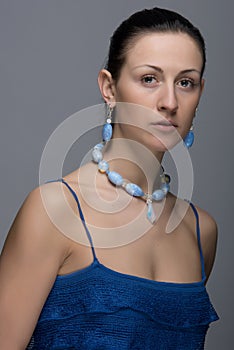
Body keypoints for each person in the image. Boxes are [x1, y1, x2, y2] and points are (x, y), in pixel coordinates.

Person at [0, 6, 219, 349]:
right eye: (149, 79)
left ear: (200, 94)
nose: (169, 101)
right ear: (110, 88)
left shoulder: (199, 230)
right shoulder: (54, 211)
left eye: (185, 83)